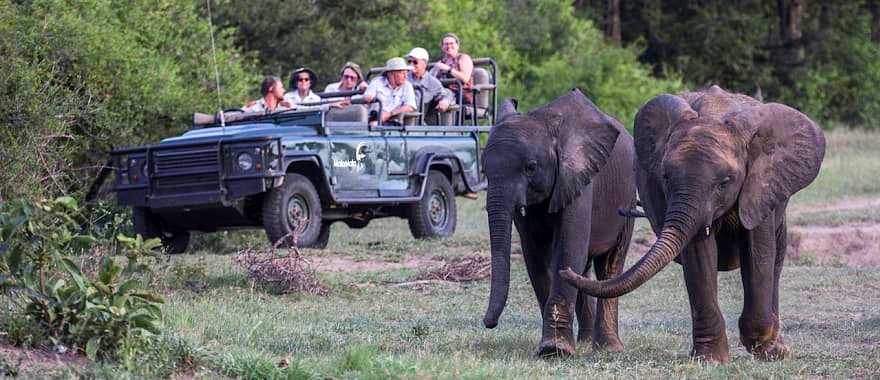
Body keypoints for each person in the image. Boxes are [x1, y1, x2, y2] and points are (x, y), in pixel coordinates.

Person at [363, 57, 416, 125]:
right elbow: (367, 97)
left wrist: (390, 114)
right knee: (373, 125)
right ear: (391, 74)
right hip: (377, 120)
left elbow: (410, 106)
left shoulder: (407, 85)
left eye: (406, 72)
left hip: (397, 122)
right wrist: (368, 97)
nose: (405, 76)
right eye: (402, 73)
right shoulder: (377, 82)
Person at [406, 47, 453, 120]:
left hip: (414, 120)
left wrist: (445, 101)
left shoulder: (432, 82)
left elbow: (445, 93)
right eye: (409, 61)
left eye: (415, 62)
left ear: (424, 63)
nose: (411, 64)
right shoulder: (403, 77)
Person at [431, 32, 474, 105]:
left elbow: (465, 78)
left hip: (460, 94)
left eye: (451, 43)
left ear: (457, 46)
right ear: (442, 47)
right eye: (446, 44)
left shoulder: (463, 58)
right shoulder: (441, 62)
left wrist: (448, 69)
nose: (449, 46)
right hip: (441, 92)